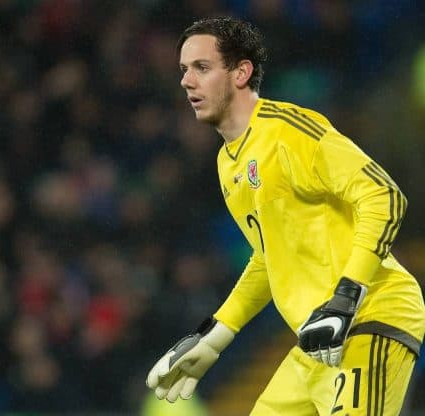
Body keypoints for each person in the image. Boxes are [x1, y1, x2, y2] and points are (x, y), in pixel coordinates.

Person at [146, 16, 425, 415]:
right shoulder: (229, 164)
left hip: (368, 319)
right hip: (315, 340)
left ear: (241, 72)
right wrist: (216, 335)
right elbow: (268, 257)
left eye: (202, 68)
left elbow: (384, 195)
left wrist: (345, 299)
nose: (186, 81)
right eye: (184, 70)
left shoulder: (288, 131)